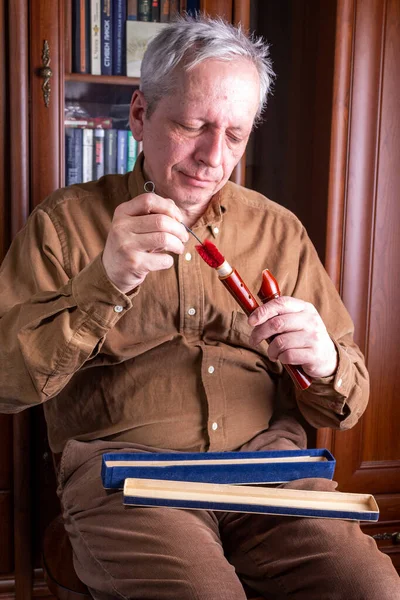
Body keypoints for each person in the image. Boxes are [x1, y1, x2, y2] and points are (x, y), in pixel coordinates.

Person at [0, 14, 399, 600]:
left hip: (267, 472)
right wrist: (105, 282)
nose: (214, 157)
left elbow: (346, 401)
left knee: (371, 588)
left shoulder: (279, 231)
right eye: (193, 125)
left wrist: (325, 362)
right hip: (129, 477)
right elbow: (7, 382)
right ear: (139, 115)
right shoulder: (63, 225)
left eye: (235, 135)